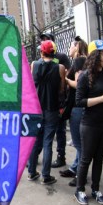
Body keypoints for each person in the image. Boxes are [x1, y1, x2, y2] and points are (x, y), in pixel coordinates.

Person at [73, 40, 103, 205]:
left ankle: (96, 189)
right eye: (102, 53)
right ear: (94, 55)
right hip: (90, 124)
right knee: (86, 158)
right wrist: (102, 99)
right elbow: (79, 101)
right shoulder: (85, 75)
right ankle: (80, 189)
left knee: (99, 159)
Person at [27, 39, 66, 184]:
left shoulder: (34, 65)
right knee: (48, 141)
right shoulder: (60, 68)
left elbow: (31, 85)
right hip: (52, 108)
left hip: (36, 108)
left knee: (35, 140)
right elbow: (62, 90)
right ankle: (46, 176)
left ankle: (31, 172)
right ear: (54, 52)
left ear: (41, 52)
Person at [40, 33, 69, 168]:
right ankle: (35, 159)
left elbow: (66, 76)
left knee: (60, 131)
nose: (44, 42)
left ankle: (60, 156)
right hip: (44, 104)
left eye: (47, 40)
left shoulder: (61, 57)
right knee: (44, 136)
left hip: (58, 103)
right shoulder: (39, 61)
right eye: (43, 40)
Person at [60, 56, 86, 186]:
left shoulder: (80, 73)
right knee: (79, 145)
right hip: (77, 110)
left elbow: (78, 82)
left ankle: (80, 175)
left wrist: (66, 79)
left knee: (79, 145)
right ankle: (75, 168)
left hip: (77, 110)